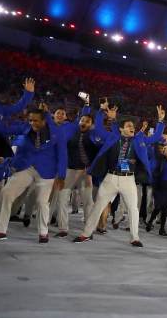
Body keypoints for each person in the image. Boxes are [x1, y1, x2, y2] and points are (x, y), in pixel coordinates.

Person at [73, 104, 165, 247]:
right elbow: (98, 128)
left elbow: (156, 138)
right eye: (128, 126)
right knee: (98, 206)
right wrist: (103, 112)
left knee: (133, 208)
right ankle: (86, 233)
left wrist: (160, 121)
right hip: (111, 178)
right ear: (121, 128)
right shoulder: (112, 137)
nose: (132, 128)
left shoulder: (139, 140)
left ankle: (135, 237)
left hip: (129, 179)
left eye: (132, 126)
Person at [0, 108, 67, 243]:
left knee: (42, 202)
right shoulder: (25, 127)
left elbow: (63, 155)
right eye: (30, 120)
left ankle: (43, 233)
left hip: (47, 171)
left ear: (44, 121)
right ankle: (0, 231)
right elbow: (6, 129)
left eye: (35, 120)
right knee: (6, 193)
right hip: (26, 167)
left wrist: (62, 175)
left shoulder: (57, 132)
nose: (32, 123)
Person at [55, 99, 103, 237]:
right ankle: (63, 229)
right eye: (82, 120)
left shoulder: (94, 136)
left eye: (88, 122)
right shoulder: (71, 132)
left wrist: (91, 170)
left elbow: (100, 152)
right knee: (62, 197)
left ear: (92, 125)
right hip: (69, 170)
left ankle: (89, 230)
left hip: (85, 172)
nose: (84, 122)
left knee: (88, 202)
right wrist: (87, 105)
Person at [146, 144, 167, 236]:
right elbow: (156, 151)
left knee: (164, 209)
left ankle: (162, 229)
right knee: (158, 206)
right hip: (160, 186)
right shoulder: (160, 159)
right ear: (164, 151)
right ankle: (150, 221)